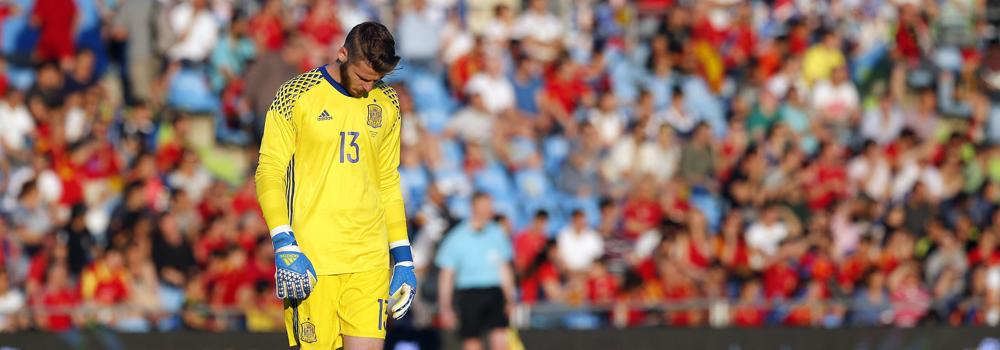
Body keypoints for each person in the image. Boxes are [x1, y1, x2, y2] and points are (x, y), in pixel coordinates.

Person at [254, 22, 414, 350]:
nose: (369, 87)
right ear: (342, 55)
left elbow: (387, 181)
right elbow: (269, 172)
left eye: (377, 80)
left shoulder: (387, 102)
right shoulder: (296, 94)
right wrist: (284, 242)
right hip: (314, 261)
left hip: (369, 260)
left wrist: (403, 257)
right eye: (363, 77)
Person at [436, 192, 515, 350]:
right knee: (472, 341)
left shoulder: (497, 233)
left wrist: (510, 298)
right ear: (474, 207)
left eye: (490, 206)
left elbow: (504, 269)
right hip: (469, 293)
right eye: (484, 206)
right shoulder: (457, 237)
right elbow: (447, 275)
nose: (489, 210)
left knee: (500, 339)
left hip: (494, 292)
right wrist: (445, 306)